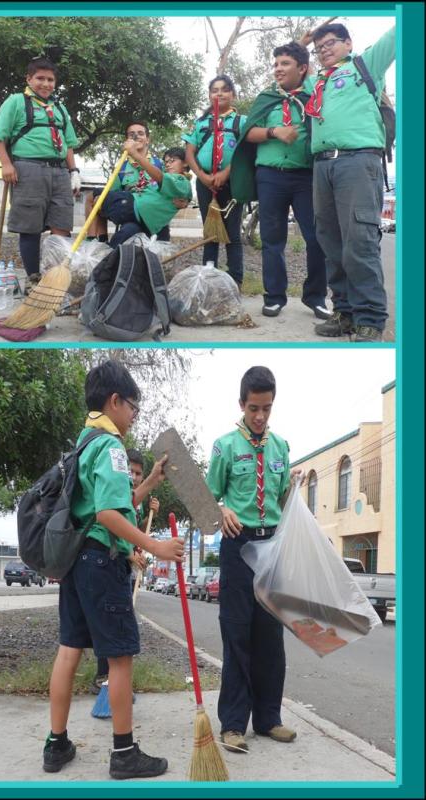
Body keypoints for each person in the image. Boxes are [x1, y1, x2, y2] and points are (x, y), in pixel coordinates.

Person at [45, 360, 184, 780]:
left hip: (75, 562)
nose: (134, 416)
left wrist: (147, 485)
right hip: (101, 564)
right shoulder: (110, 446)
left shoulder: (83, 443)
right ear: (115, 401)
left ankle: (56, 744)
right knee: (120, 657)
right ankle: (124, 753)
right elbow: (108, 513)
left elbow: (107, 506)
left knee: (69, 650)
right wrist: (155, 545)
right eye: (133, 408)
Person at [205, 366, 302, 754]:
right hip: (237, 545)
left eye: (267, 408)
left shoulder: (280, 447)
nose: (260, 417)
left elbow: (278, 502)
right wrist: (221, 509)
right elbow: (208, 497)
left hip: (270, 549)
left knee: (270, 639)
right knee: (237, 635)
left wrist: (291, 490)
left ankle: (268, 719)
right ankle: (232, 724)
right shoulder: (224, 446)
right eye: (253, 408)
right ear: (241, 404)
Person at [305, 24, 395, 343]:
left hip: (357, 160)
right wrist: (303, 43)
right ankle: (345, 312)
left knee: (359, 241)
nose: (325, 50)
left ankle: (370, 318)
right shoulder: (316, 81)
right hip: (323, 164)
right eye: (319, 47)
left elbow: (398, 32)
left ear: (348, 43)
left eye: (331, 43)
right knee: (330, 241)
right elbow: (288, 68)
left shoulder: (365, 64)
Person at [230, 42, 331, 320]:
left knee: (315, 238)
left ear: (303, 69)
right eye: (275, 64)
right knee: (273, 240)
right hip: (270, 176)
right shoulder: (267, 97)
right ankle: (274, 298)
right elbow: (247, 133)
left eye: (285, 64)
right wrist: (275, 131)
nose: (278, 69)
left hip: (306, 176)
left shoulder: (316, 95)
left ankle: (316, 297)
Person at [0, 57, 81, 288]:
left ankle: (56, 281)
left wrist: (74, 171)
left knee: (62, 226)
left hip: (59, 171)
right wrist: (7, 165)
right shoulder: (16, 102)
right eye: (40, 78)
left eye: (50, 79)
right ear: (29, 79)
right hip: (28, 169)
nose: (46, 83)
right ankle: (33, 279)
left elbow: (68, 143)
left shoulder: (59, 108)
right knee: (30, 226)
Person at [92, 447, 162, 692]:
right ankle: (104, 677)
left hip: (124, 567)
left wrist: (148, 516)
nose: (133, 476)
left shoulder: (136, 501)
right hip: (110, 561)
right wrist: (132, 554)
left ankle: (116, 681)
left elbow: (137, 532)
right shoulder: (117, 494)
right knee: (112, 626)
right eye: (130, 471)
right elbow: (114, 528)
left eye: (138, 473)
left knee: (120, 625)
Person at [183, 75, 248, 288]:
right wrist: (203, 176)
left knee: (232, 233)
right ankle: (208, 278)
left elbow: (245, 152)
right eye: (214, 90)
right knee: (210, 232)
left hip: (233, 183)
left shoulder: (242, 122)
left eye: (224, 89)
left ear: (233, 94)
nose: (219, 94)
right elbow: (190, 153)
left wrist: (226, 172)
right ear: (210, 95)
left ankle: (235, 281)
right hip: (205, 183)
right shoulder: (201, 123)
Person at [87, 121, 188, 245]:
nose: (136, 137)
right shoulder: (121, 168)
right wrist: (102, 237)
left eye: (140, 133)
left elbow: (177, 181)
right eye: (131, 134)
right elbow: (104, 200)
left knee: (158, 252)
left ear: (147, 140)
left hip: (155, 221)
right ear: (127, 140)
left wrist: (185, 199)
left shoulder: (161, 165)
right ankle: (102, 247)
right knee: (98, 199)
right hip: (130, 214)